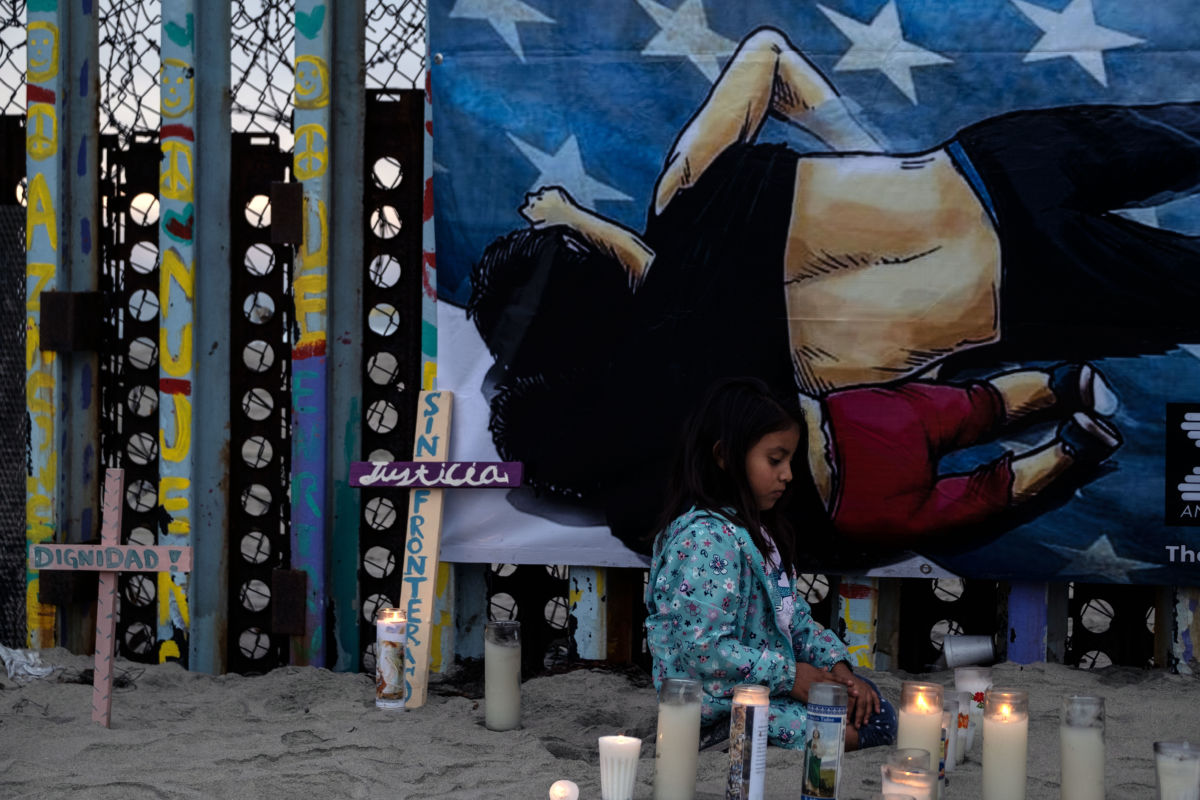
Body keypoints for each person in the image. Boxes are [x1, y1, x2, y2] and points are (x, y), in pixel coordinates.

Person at [470, 25, 1196, 554]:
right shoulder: (683, 194)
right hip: (991, 168)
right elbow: (767, 55)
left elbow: (654, 298)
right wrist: (873, 159)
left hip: (1028, 289)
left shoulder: (733, 390)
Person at [644, 377, 896, 751]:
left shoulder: (756, 534)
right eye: (775, 460)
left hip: (765, 689)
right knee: (870, 729)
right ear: (724, 456)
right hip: (712, 706)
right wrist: (793, 677)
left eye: (790, 460)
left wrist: (839, 670)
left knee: (869, 702)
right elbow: (702, 650)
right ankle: (717, 738)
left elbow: (790, 619)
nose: (788, 474)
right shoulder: (704, 541)